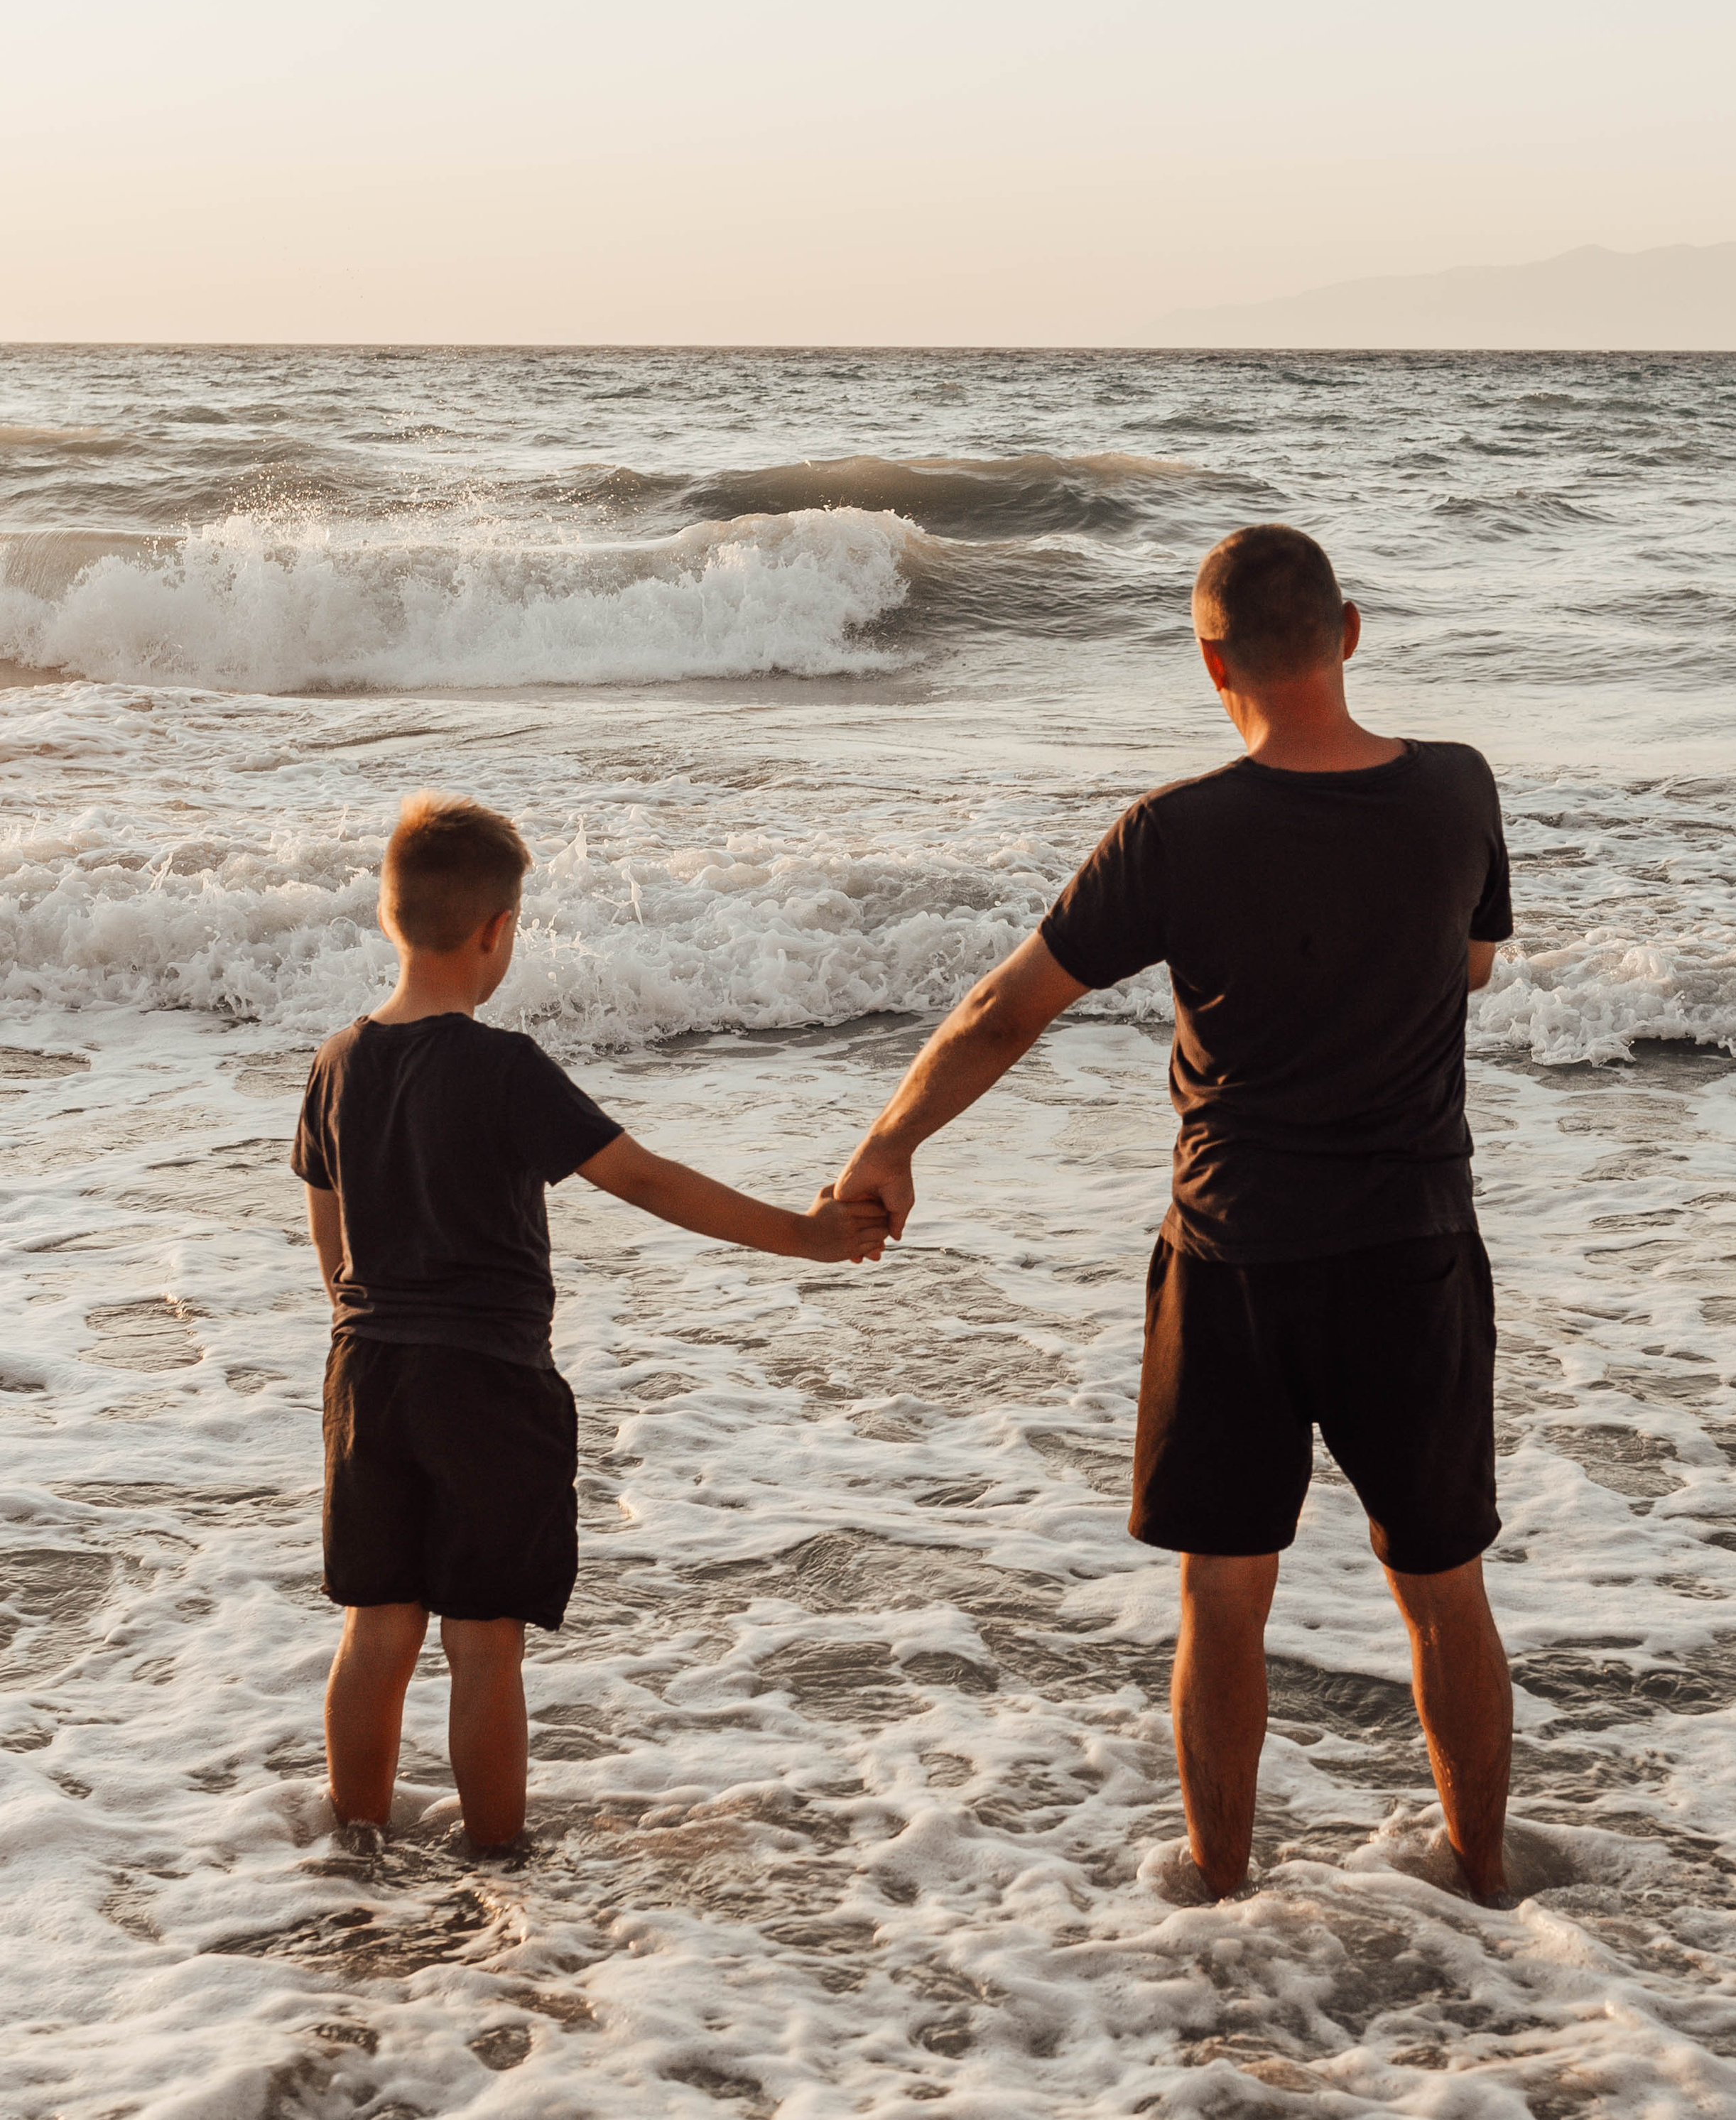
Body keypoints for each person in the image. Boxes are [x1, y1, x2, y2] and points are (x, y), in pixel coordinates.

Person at [835, 525, 1517, 1905]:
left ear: (1208, 661)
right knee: (1441, 1586)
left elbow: (1003, 1009)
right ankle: (1480, 1872)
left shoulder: (1175, 832)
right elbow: (1474, 963)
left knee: (1221, 1591)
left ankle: (1216, 1887)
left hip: (1230, 1259)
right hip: (1413, 1250)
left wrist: (888, 1143)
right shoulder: (1454, 791)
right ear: (1350, 632)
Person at [293, 790, 887, 1852]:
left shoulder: (337, 1061)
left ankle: (356, 1842)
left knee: (376, 1625)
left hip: (368, 1370)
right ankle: (498, 1862)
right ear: (496, 931)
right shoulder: (504, 1068)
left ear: (393, 919)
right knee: (483, 1641)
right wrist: (805, 1234)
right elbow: (644, 1179)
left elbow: (326, 1220)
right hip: (486, 1379)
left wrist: (363, 1314)